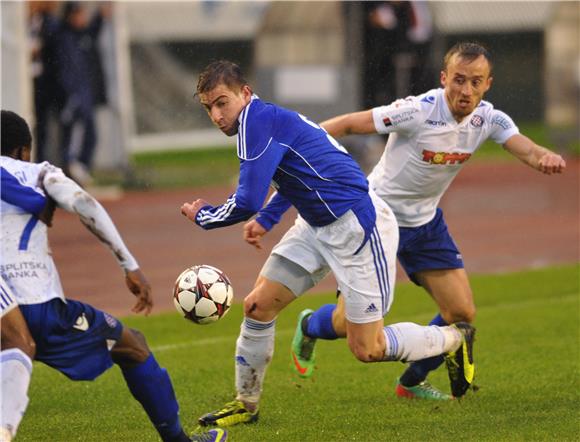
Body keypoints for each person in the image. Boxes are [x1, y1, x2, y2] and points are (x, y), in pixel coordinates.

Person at [180, 60, 475, 428]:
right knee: (257, 306)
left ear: (245, 94)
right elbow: (292, 176)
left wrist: (204, 216)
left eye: (222, 103)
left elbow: (248, 199)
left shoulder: (257, 123)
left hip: (358, 227)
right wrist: (268, 221)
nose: (216, 115)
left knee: (368, 348)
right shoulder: (262, 122)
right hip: (315, 225)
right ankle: (246, 403)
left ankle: (451, 338)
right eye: (209, 107)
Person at [290, 42, 567, 400]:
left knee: (460, 312)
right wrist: (296, 149)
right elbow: (346, 124)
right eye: (459, 80)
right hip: (375, 222)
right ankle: (310, 325)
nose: (465, 90)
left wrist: (545, 157)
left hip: (425, 224)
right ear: (444, 78)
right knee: (348, 325)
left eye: (475, 82)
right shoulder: (417, 111)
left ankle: (411, 382)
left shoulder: (490, 119)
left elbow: (526, 148)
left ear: (488, 85)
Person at [0, 110, 227, 442]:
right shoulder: (38, 173)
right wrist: (129, 265)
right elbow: (84, 203)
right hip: (38, 306)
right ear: (24, 150)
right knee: (133, 346)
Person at [56, 1, 109, 185]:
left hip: (85, 95)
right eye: (79, 15)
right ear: (70, 16)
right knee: (74, 135)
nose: (83, 19)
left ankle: (81, 168)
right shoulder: (65, 38)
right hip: (75, 97)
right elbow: (67, 71)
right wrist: (72, 95)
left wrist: (101, 15)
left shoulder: (81, 36)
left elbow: (93, 30)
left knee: (90, 135)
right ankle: (71, 169)